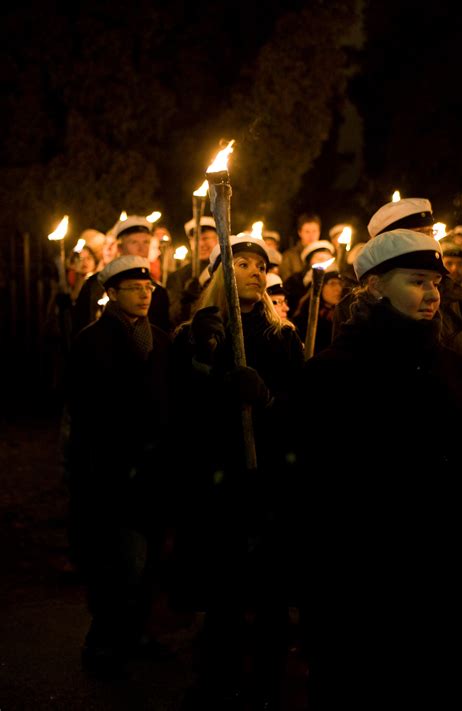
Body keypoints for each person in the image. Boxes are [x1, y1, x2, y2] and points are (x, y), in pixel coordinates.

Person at [292, 229, 462, 708]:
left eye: (436, 282)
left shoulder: (452, 367)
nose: (432, 293)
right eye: (417, 281)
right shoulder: (335, 372)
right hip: (364, 583)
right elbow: (315, 486)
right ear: (374, 285)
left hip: (440, 576)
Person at [171, 234, 304, 710]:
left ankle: (266, 684)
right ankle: (217, 679)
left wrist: (267, 399)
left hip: (268, 479)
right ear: (219, 274)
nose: (251, 270)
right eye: (240, 262)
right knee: (223, 591)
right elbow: (177, 408)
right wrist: (208, 371)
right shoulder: (196, 332)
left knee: (269, 592)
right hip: (218, 479)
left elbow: (301, 407)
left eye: (257, 264)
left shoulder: (282, 336)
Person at [66, 255, 172, 679]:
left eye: (149, 289)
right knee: (116, 559)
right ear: (111, 293)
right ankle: (104, 636)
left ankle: (136, 631)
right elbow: (86, 408)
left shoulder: (162, 341)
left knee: (148, 559)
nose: (145, 294)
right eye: (134, 288)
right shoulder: (91, 341)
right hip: (110, 468)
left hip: (153, 469)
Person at [332, 197, 462, 359]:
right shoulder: (351, 309)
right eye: (419, 233)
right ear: (386, 241)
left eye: (430, 232)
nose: (429, 240)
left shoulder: (456, 295)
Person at [72, 216, 170, 335]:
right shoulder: (96, 283)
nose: (141, 248)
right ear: (120, 247)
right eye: (134, 242)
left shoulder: (158, 292)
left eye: (146, 242)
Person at [166, 217, 218, 329]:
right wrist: (185, 301)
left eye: (205, 238)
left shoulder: (228, 271)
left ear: (217, 239)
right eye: (196, 239)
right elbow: (173, 316)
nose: (201, 244)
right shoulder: (178, 276)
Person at [279, 212, 322, 282]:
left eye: (314, 231)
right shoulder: (289, 256)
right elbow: (287, 283)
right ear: (300, 232)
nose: (311, 236)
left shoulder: (325, 255)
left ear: (319, 232)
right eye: (307, 232)